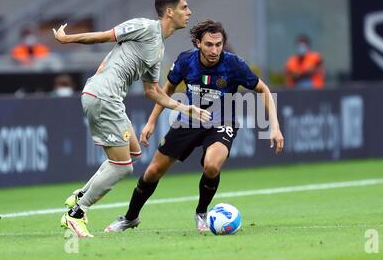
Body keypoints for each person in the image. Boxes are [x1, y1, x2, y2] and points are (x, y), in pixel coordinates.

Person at [54, 0, 211, 238]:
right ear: (169, 12)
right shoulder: (145, 26)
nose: (189, 12)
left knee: (134, 152)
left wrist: (184, 107)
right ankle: (76, 214)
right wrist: (67, 39)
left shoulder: (158, 48)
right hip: (102, 95)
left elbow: (152, 91)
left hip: (111, 99)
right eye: (184, 7)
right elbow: (105, 36)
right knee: (122, 166)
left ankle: (82, 195)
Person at [104, 19, 284, 233]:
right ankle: (130, 218)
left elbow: (263, 89)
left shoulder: (233, 64)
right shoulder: (186, 60)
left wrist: (274, 126)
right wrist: (151, 122)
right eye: (209, 44)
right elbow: (166, 90)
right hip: (189, 120)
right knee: (153, 172)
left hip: (222, 122)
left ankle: (201, 212)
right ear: (198, 43)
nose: (215, 50)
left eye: (219, 45)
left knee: (211, 166)